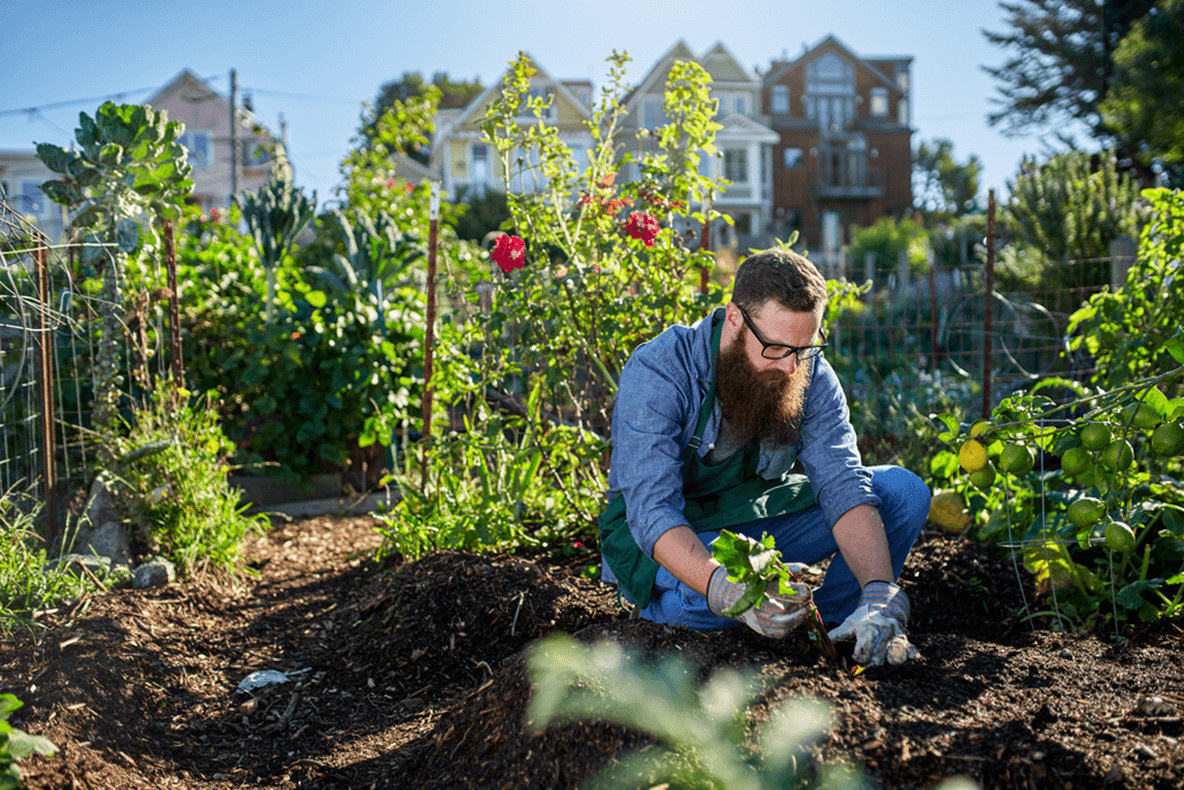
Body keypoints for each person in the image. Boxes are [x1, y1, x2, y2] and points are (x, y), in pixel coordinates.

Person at [598, 248, 931, 666]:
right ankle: (661, 614)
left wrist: (880, 592)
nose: (792, 367)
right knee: (705, 597)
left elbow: (842, 482)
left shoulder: (806, 370)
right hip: (670, 536)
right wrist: (723, 587)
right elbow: (652, 512)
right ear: (734, 318)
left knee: (903, 492)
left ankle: (836, 628)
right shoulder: (661, 370)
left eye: (805, 348)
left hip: (751, 519)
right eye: (776, 348)